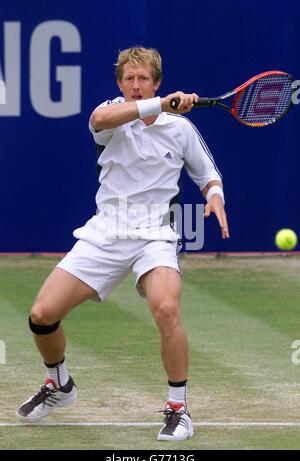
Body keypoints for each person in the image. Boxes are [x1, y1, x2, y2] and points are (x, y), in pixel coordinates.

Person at [16, 46, 229, 441]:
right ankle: (58, 384)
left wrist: (215, 195)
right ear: (120, 83)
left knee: (166, 308)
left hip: (154, 235)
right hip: (105, 232)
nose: (135, 85)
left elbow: (207, 175)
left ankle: (178, 408)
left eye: (143, 78)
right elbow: (98, 119)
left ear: (156, 80)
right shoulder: (110, 115)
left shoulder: (181, 129)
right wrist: (158, 104)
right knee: (42, 315)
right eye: (129, 79)